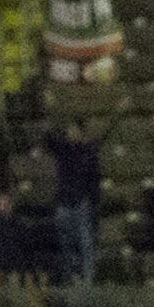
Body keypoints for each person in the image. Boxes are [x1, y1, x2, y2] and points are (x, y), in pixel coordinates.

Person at [44, 119, 102, 284]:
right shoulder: (63, 149)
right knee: (65, 242)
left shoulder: (87, 151)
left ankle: (88, 276)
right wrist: (48, 125)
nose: (71, 133)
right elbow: (50, 140)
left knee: (85, 242)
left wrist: (93, 200)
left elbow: (94, 178)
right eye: (69, 130)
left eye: (74, 130)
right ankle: (70, 276)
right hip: (64, 202)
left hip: (81, 201)